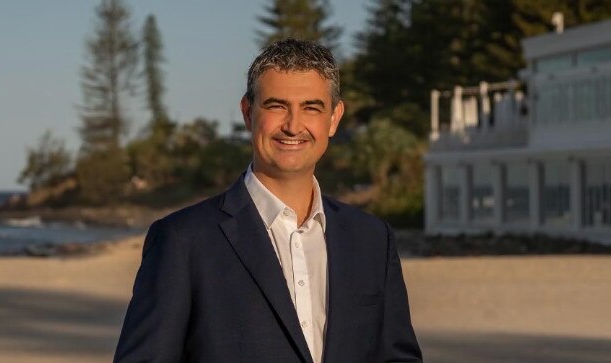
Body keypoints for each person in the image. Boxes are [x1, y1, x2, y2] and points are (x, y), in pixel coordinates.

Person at [114, 38, 422, 363]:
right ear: (248, 113)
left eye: (311, 107)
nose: (292, 125)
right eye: (276, 106)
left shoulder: (372, 239)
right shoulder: (182, 241)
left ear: (334, 118)